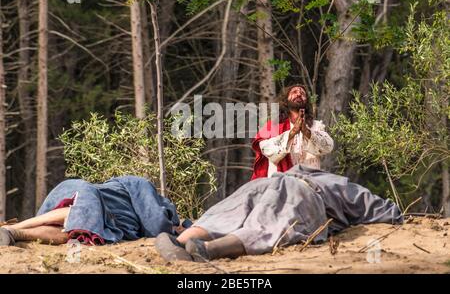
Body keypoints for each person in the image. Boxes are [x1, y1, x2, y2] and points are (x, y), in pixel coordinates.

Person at [155, 165, 403, 262]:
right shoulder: (339, 183)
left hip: (269, 182)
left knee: (231, 212)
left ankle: (183, 241)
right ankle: (202, 250)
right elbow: (384, 210)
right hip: (296, 188)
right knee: (269, 222)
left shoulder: (311, 173)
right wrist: (396, 214)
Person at [0, 176, 188, 246]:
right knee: (78, 214)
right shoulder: (140, 184)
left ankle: (14, 233)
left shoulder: (119, 220)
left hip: (91, 215)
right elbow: (156, 223)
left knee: (73, 232)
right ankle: (15, 227)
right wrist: (173, 227)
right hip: (81, 191)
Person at [251, 84, 334, 180]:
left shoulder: (316, 126)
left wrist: (307, 132)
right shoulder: (273, 125)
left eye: (302, 93)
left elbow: (328, 146)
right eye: (294, 92)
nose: (299, 94)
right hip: (280, 183)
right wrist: (292, 132)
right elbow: (265, 149)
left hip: (309, 183)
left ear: (306, 101)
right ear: (285, 100)